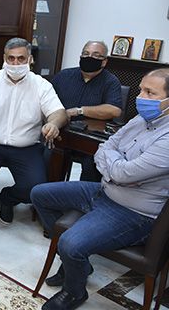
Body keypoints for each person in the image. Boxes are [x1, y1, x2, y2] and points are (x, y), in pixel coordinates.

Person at [31, 68, 169, 310]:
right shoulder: (141, 119)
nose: (140, 97)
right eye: (140, 90)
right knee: (40, 194)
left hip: (132, 212)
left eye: (150, 93)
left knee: (70, 244)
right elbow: (105, 147)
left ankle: (74, 292)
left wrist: (116, 167)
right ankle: (79, 265)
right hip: (104, 190)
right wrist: (116, 167)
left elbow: (122, 172)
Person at [0, 37, 67, 226]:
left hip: (26, 147)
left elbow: (59, 113)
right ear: (4, 58)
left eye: (21, 58)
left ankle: (8, 198)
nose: (15, 63)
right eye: (11, 58)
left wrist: (53, 123)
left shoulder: (41, 85)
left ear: (30, 59)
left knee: (34, 188)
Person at [50, 41, 122, 181]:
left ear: (104, 61)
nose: (89, 58)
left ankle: (81, 194)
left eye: (96, 55)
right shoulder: (64, 75)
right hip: (59, 131)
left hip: (90, 139)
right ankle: (48, 192)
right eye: (85, 54)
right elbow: (45, 99)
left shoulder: (111, 81)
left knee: (93, 166)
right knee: (49, 160)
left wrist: (79, 111)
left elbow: (114, 110)